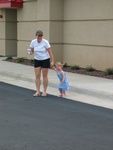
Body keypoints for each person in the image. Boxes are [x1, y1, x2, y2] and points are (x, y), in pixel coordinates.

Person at [29, 30, 54, 97]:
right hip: (37, 59)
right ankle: (37, 91)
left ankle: (44, 91)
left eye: (40, 37)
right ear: (36, 36)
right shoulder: (33, 42)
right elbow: (32, 51)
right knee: (37, 75)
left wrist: (52, 61)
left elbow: (50, 52)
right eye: (38, 37)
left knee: (44, 75)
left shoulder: (45, 42)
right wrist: (30, 52)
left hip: (45, 59)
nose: (39, 39)